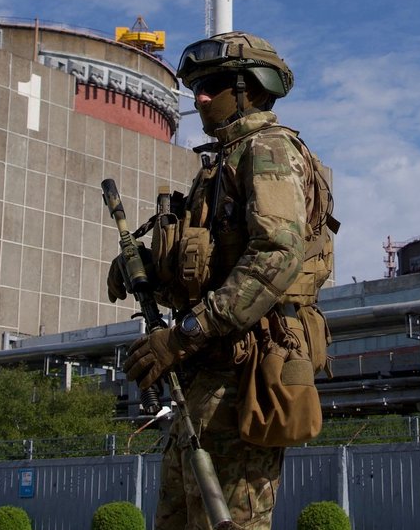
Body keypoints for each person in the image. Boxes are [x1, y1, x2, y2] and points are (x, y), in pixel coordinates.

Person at [111, 31, 336, 530]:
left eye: (213, 85)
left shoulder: (269, 151)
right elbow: (210, 271)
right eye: (196, 87)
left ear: (251, 89)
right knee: (178, 517)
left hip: (247, 376)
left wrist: (183, 334)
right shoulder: (222, 164)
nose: (200, 97)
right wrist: (148, 267)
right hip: (207, 374)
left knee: (227, 520)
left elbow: (276, 257)